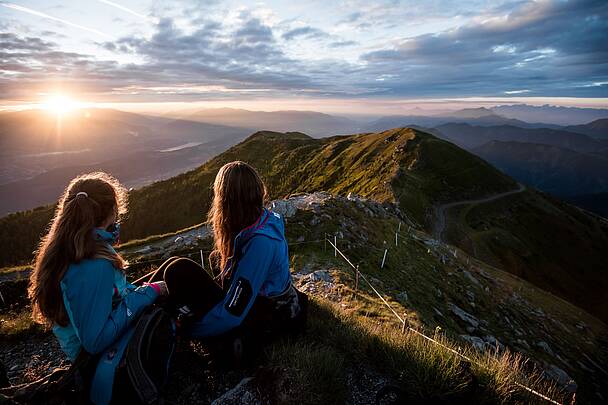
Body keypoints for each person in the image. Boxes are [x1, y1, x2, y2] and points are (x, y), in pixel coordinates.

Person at [28, 172, 167, 405]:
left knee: (167, 271)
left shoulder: (71, 248)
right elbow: (95, 341)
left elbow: (111, 297)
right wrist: (148, 293)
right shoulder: (92, 263)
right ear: (110, 211)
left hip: (96, 358)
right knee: (177, 272)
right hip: (105, 365)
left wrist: (144, 291)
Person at [154, 161, 306, 356]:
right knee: (211, 259)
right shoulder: (260, 220)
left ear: (227, 201)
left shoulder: (261, 244)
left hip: (264, 316)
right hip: (256, 303)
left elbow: (232, 314)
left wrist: (186, 332)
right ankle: (134, 301)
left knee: (178, 270)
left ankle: (145, 321)